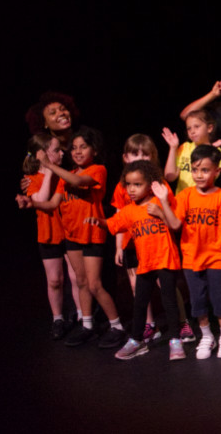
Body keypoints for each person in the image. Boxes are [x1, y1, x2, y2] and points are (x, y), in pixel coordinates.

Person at [44, 127, 127, 348]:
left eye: (83, 147)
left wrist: (50, 165)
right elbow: (52, 204)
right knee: (81, 282)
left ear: (94, 150)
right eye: (74, 148)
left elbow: (79, 182)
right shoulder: (66, 176)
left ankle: (117, 326)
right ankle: (87, 325)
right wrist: (30, 202)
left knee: (94, 284)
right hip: (72, 236)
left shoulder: (98, 170)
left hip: (91, 234)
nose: (78, 151)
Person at [100, 161, 185, 361]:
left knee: (169, 301)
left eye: (137, 184)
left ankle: (175, 340)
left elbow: (175, 224)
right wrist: (98, 221)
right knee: (139, 303)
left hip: (165, 259)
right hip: (145, 263)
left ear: (150, 185)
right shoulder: (129, 210)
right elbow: (113, 224)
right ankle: (136, 340)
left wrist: (161, 209)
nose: (131, 189)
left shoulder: (158, 202)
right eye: (128, 184)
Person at [173, 144, 221, 359]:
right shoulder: (185, 195)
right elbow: (175, 224)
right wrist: (163, 201)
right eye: (195, 169)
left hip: (217, 256)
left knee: (220, 297)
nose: (199, 175)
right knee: (197, 299)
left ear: (216, 171)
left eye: (205, 170)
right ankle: (207, 335)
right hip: (191, 258)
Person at [15, 132, 73, 339]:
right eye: (57, 150)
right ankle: (58, 318)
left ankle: (82, 316)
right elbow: (41, 199)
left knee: (76, 277)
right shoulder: (31, 179)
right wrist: (48, 169)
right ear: (42, 154)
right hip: (49, 234)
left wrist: (52, 168)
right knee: (55, 280)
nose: (62, 153)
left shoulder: (65, 174)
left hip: (70, 232)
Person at [164, 110, 221, 193]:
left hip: (202, 198)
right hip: (181, 198)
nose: (192, 131)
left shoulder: (217, 151)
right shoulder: (184, 147)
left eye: (197, 126)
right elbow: (170, 177)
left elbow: (208, 179)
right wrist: (173, 148)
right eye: (189, 128)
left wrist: (210, 149)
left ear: (209, 128)